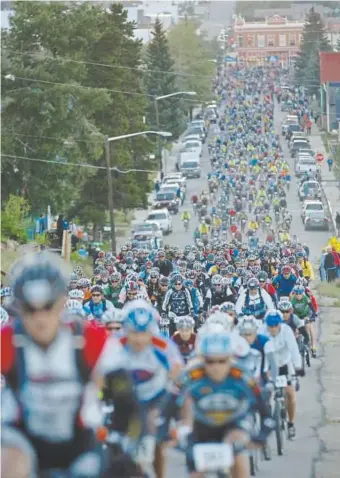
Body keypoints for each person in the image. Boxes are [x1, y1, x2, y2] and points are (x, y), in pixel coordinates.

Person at [1, 251, 141, 478]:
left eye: (47, 307)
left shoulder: (91, 339)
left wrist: (120, 441)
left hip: (79, 439)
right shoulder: (6, 340)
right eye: (30, 309)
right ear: (18, 308)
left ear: (61, 303)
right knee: (9, 464)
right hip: (23, 437)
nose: (40, 318)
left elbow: (126, 397)